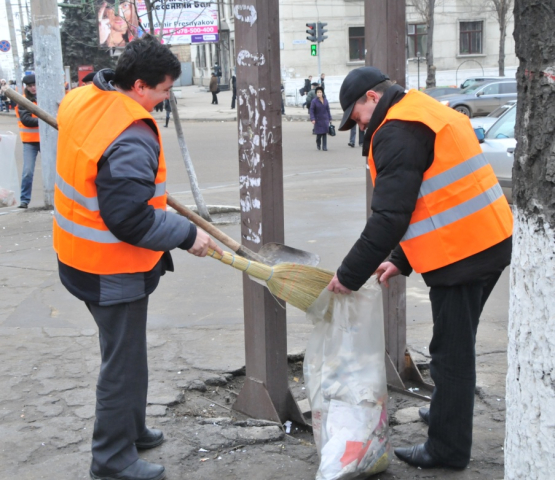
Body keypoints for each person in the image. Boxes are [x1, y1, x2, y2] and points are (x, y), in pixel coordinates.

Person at [53, 35, 222, 480]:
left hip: (77, 255)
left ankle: (130, 427)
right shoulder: (130, 133)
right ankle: (112, 459)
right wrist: (188, 235)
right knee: (122, 363)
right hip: (110, 267)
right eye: (165, 91)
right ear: (141, 85)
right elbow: (128, 219)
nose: (166, 101)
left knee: (126, 352)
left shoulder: (82, 96)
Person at [331, 66, 513, 470]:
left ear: (372, 99)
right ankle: (447, 410)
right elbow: (437, 199)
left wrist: (347, 276)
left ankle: (447, 449)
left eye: (355, 116)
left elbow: (390, 217)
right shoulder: (422, 110)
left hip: (462, 255)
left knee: (450, 352)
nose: (356, 126)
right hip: (488, 238)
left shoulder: (396, 131)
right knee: (456, 342)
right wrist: (399, 259)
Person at [15, 74, 41, 209]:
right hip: (30, 141)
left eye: (35, 85)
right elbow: (26, 120)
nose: (33, 88)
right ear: (26, 87)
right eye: (30, 86)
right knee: (28, 171)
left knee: (58, 169)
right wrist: (46, 120)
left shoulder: (46, 96)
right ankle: (24, 200)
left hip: (47, 141)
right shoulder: (23, 100)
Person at [309, 86, 331, 151]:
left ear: (322, 93)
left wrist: (330, 117)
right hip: (318, 119)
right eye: (318, 92)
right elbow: (311, 110)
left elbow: (328, 109)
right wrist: (312, 119)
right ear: (316, 93)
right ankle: (318, 143)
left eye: (320, 92)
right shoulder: (314, 101)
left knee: (325, 133)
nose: (319, 93)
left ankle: (324, 147)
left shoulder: (326, 100)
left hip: (325, 119)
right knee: (319, 134)